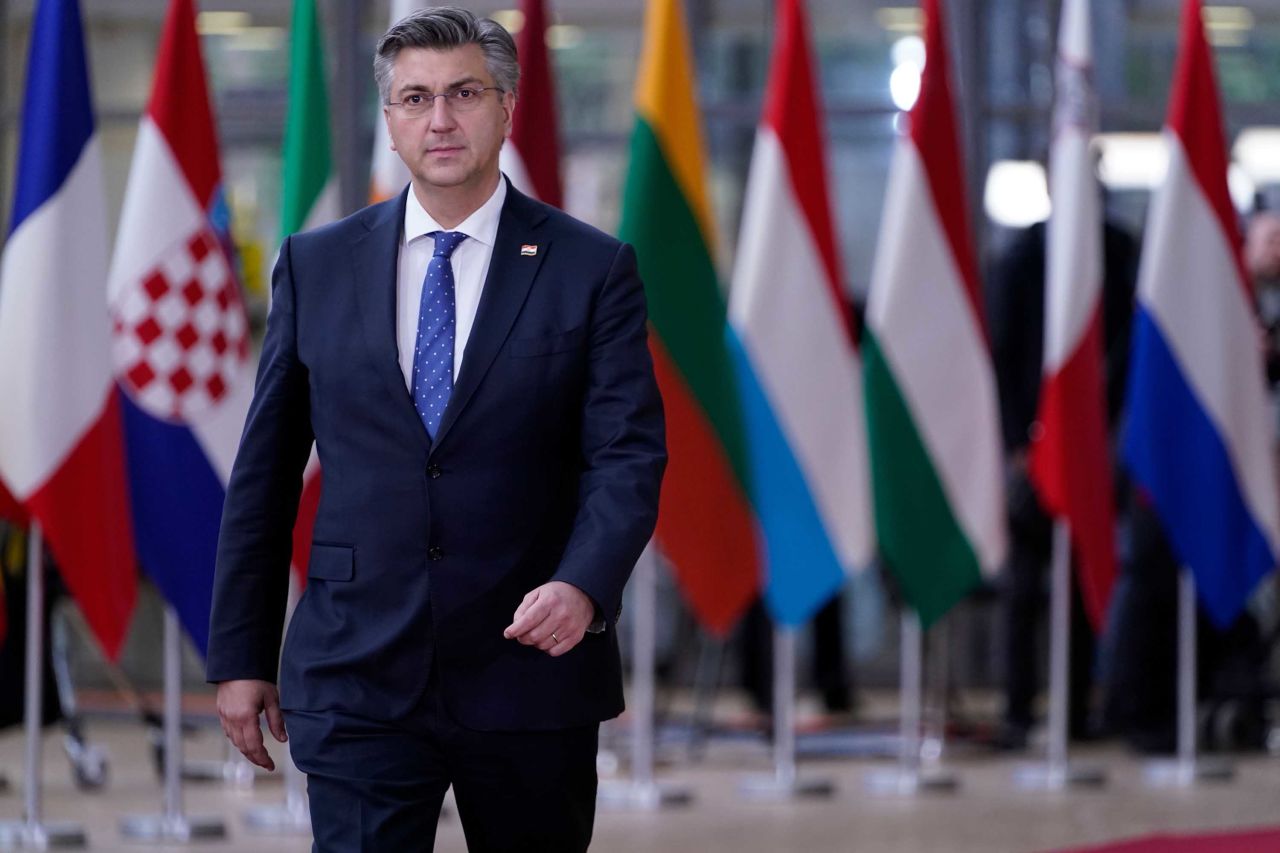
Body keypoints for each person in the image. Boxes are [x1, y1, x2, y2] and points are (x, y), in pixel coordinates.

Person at [205, 8, 666, 851]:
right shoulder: (316, 263)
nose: (440, 119)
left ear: (505, 106)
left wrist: (586, 583)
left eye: (463, 93)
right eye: (415, 98)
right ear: (390, 119)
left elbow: (626, 456)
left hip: (531, 664)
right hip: (356, 667)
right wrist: (241, 651)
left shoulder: (591, 268)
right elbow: (265, 474)